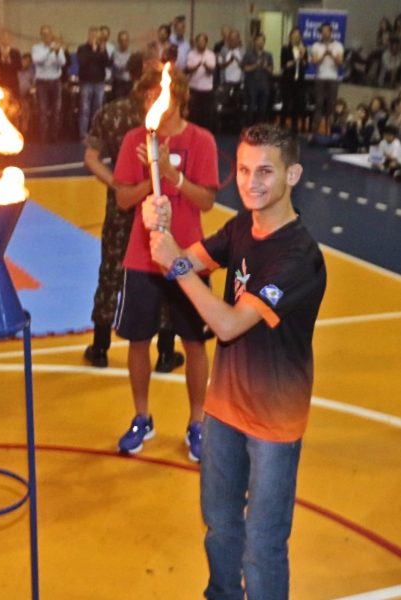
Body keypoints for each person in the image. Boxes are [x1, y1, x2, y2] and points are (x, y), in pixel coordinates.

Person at [142, 124, 326, 600]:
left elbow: (225, 324)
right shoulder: (242, 227)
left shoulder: (300, 258)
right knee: (221, 528)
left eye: (265, 171)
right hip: (223, 409)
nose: (251, 182)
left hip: (273, 423)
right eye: (243, 169)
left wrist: (176, 264)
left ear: (294, 175)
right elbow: (184, 261)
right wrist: (159, 229)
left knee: (262, 548)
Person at [112, 65, 219, 462]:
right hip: (142, 258)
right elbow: (123, 200)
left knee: (195, 343)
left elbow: (206, 201)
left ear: (177, 98)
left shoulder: (202, 141)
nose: (150, 102)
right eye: (145, 96)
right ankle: (142, 417)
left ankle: (197, 423)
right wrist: (150, 173)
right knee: (139, 341)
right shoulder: (134, 141)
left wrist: (172, 175)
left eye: (157, 94)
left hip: (189, 257)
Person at [82, 58, 184, 373]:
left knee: (111, 271)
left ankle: (100, 346)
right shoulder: (166, 115)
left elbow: (91, 158)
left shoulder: (111, 113)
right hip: (160, 203)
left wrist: (115, 183)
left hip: (123, 203)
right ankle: (166, 350)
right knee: (165, 270)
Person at [31, 25, 66, 142]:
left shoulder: (57, 48)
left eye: (49, 34)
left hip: (55, 82)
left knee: (56, 110)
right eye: (44, 34)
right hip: (42, 83)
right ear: (41, 36)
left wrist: (56, 53)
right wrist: (49, 52)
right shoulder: (36, 48)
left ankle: (54, 136)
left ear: (51, 35)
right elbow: (37, 60)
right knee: (43, 111)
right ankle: (43, 137)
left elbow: (63, 62)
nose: (47, 37)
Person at [77, 27, 112, 139]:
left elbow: (107, 63)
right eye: (92, 36)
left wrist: (101, 52)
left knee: (97, 109)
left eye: (96, 36)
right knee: (85, 109)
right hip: (86, 82)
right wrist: (94, 52)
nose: (94, 38)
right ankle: (83, 133)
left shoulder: (102, 49)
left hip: (99, 82)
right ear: (88, 36)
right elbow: (82, 62)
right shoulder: (82, 48)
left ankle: (95, 131)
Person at [310, 22, 344, 135]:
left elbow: (340, 63)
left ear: (331, 32)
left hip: (333, 78)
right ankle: (314, 133)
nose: (325, 33)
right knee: (318, 105)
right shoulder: (316, 46)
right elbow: (314, 62)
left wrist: (332, 54)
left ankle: (330, 132)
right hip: (320, 78)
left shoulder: (338, 46)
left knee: (331, 106)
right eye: (323, 31)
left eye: (327, 31)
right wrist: (324, 54)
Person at [186, 33, 216, 132]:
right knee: (194, 114)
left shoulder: (210, 54)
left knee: (206, 114)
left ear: (206, 43)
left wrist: (205, 65)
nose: (200, 43)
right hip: (193, 88)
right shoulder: (191, 54)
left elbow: (211, 70)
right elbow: (189, 69)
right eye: (199, 41)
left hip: (207, 89)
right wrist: (198, 64)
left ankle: (206, 134)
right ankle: (193, 133)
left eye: (203, 41)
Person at [280, 28, 308, 133]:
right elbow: (284, 65)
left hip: (299, 80)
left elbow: (306, 65)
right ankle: (282, 126)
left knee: (297, 103)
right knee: (286, 103)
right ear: (290, 36)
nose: (297, 37)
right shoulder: (285, 48)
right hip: (287, 79)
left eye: (298, 35)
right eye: (294, 34)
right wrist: (297, 59)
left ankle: (294, 127)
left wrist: (303, 57)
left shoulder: (303, 48)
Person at [242, 33, 273, 126]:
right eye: (259, 40)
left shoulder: (268, 55)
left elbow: (271, 71)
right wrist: (256, 65)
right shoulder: (248, 54)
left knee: (262, 108)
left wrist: (265, 67)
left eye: (263, 41)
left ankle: (260, 129)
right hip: (252, 84)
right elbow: (245, 68)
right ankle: (249, 128)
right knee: (251, 107)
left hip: (264, 84)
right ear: (254, 42)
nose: (261, 43)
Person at [218, 30, 244, 132]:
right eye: (230, 39)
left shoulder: (243, 51)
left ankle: (236, 129)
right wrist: (229, 61)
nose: (232, 41)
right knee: (225, 106)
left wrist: (237, 60)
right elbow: (220, 65)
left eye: (234, 39)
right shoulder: (224, 51)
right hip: (226, 82)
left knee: (237, 107)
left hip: (239, 82)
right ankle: (225, 128)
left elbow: (244, 66)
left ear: (238, 40)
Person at [0, 30, 22, 102]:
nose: (5, 40)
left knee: (15, 104)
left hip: (13, 83)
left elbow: (19, 67)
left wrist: (8, 60)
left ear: (10, 39)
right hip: (0, 82)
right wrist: (2, 59)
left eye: (7, 38)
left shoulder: (15, 52)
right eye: (3, 37)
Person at [110, 31, 133, 101]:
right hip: (118, 84)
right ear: (119, 41)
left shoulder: (131, 53)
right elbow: (118, 67)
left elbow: (134, 67)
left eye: (125, 40)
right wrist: (128, 65)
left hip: (129, 83)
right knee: (119, 104)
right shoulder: (115, 53)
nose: (124, 43)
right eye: (122, 40)